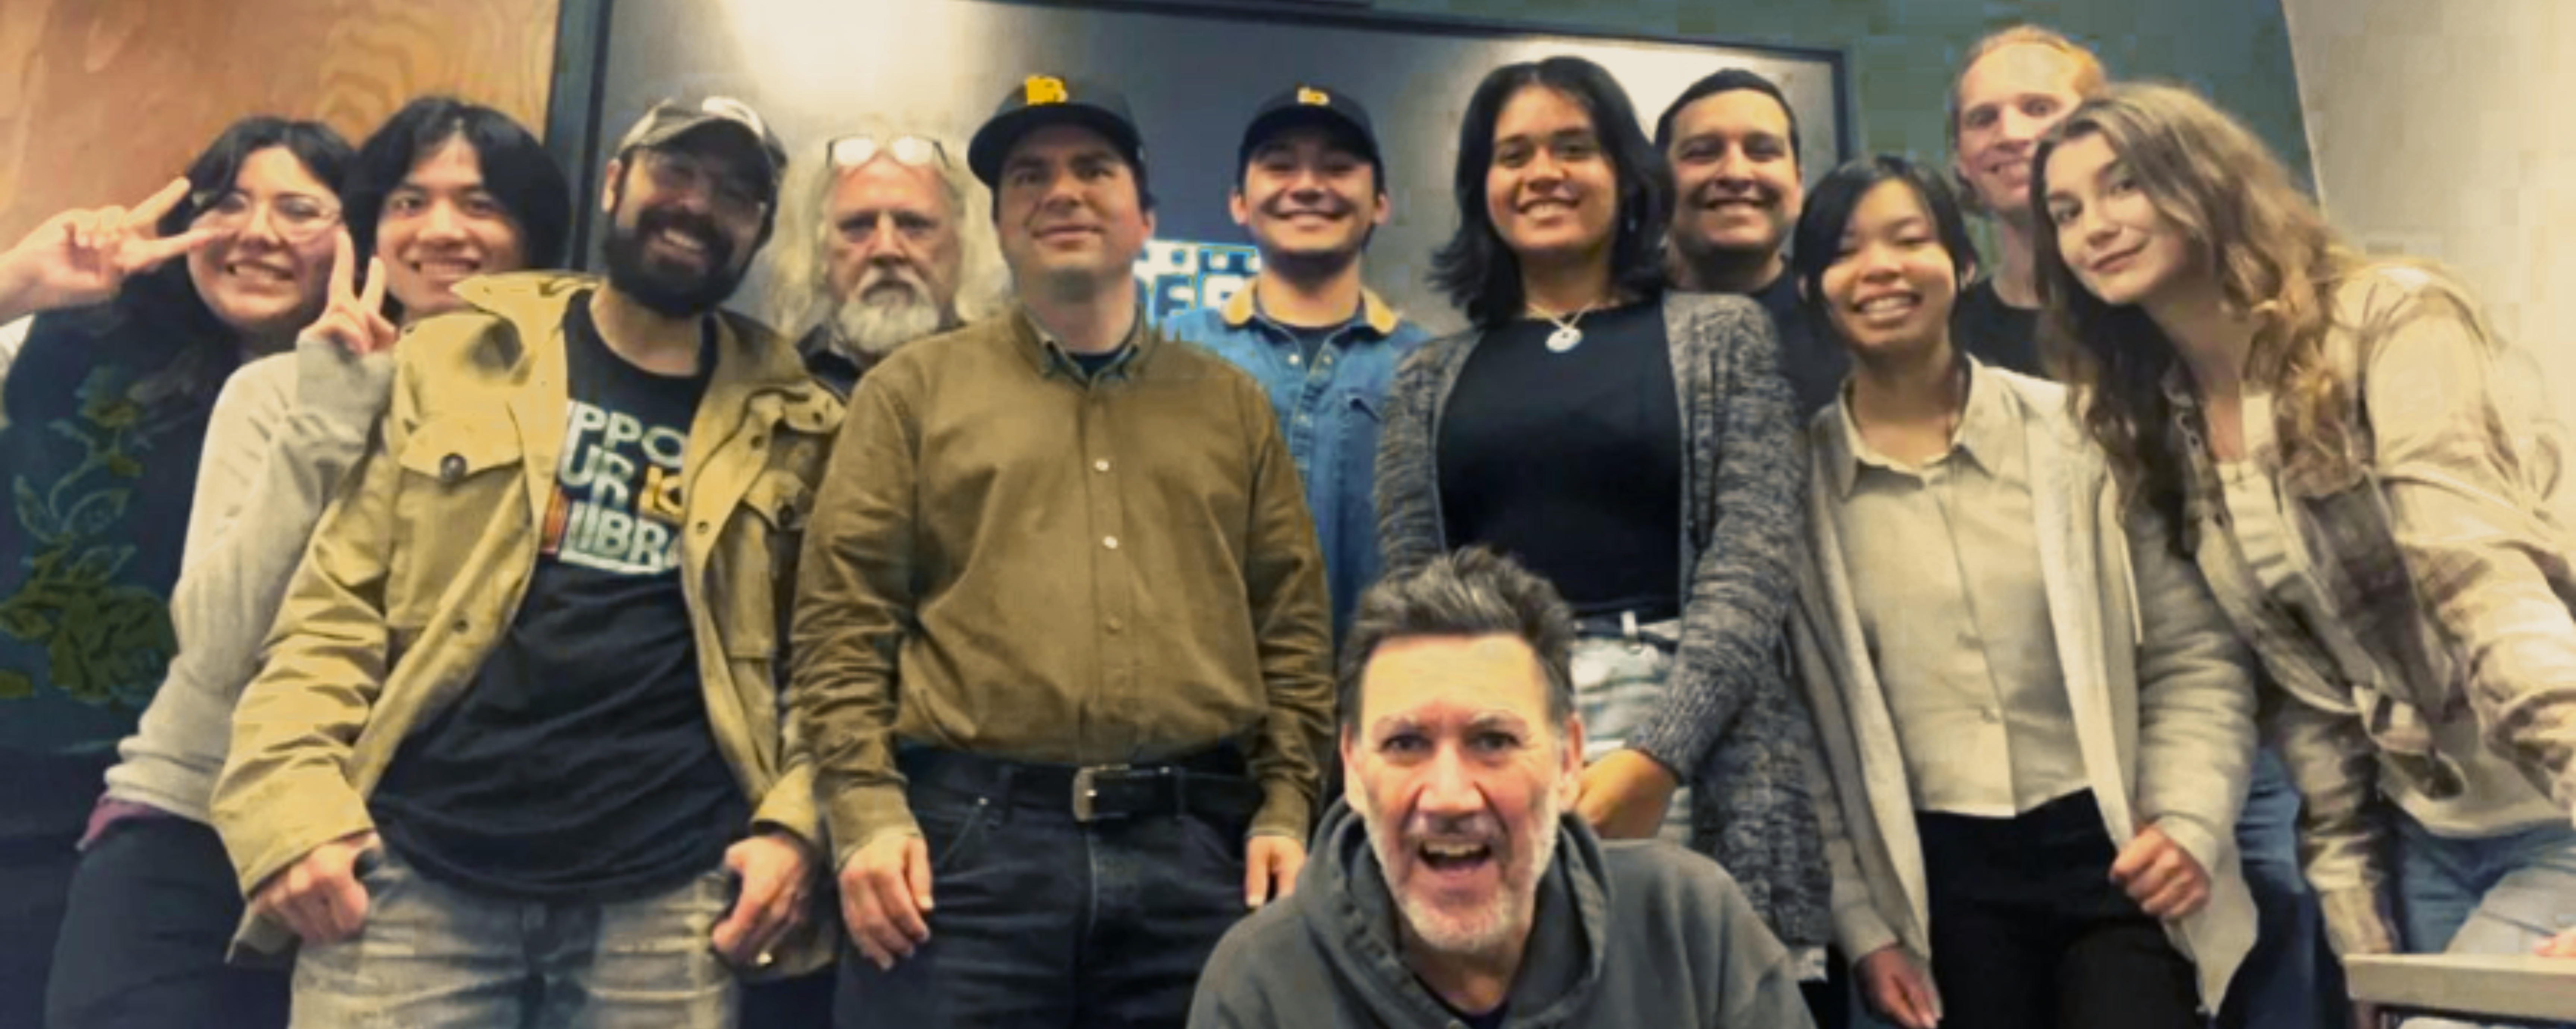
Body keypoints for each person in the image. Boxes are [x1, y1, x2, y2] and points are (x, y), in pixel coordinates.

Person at [211, 95, 835, 1027]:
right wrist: (292, 814)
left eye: (734, 193)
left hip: (671, 903)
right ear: (617, 184)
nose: (697, 205)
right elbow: (333, 611)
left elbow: (832, 665)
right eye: (675, 173)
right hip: (412, 877)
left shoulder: (801, 423)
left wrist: (796, 828)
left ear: (757, 233)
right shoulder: (452, 358)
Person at [793, 74, 1333, 1029]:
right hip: (961, 863)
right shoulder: (911, 394)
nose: (1063, 192)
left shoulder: (1231, 407)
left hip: (1196, 860)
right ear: (998, 229)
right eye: (1030, 176)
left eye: (1095, 168)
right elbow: (843, 624)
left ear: (1145, 217)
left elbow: (1290, 628)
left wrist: (1287, 805)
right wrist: (865, 813)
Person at [2036, 81, 2576, 1029]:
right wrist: (2358, 931)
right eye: (2065, 212)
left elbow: (2479, 578)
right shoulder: (2160, 419)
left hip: (2552, 807)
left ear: (2201, 179)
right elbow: (2307, 706)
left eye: (2125, 186)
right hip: (2426, 836)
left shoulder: (2383, 318)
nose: (2094, 227)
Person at [41, 95, 571, 1029]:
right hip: (193, 825)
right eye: (409, 202)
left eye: (482, 205)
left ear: (534, 238)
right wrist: (328, 410)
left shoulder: (565, 419)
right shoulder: (278, 387)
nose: (441, 230)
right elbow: (214, 644)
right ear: (371, 232)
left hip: (394, 861)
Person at [1376, 54, 1828, 976]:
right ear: (1482, 189)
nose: (1543, 172)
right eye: (1513, 155)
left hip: (1692, 738)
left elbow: (1751, 566)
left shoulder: (1721, 336)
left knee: (1687, 986)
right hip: (1496, 733)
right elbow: (1411, 603)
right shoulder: (1427, 377)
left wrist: (1658, 755)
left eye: (1573, 147)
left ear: (1626, 177)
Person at [1784, 153, 2259, 1029]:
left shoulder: (2085, 436)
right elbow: (1804, 735)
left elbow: (2195, 654)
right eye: (1847, 251)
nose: (1882, 268)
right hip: (1938, 883)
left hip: (2116, 849)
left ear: (1962, 265)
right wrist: (1865, 924)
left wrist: (2188, 818)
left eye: (1910, 238)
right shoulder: (1791, 492)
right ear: (1812, 288)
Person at [0, 115, 351, 1026]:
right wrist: (14, 287)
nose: (257, 232)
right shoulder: (75, 337)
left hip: (195, 814)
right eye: (229, 202)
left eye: (299, 208)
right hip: (21, 768)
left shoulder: (359, 400)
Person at [1190, 547, 1816, 1028]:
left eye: (1492, 741)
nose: (1450, 796)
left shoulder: (1690, 930)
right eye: (1406, 744)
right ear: (1351, 767)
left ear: (1570, 758)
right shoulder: (1260, 987)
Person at [1167, 83, 1431, 644]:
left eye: (1337, 167)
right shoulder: (1168, 353)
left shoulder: (1430, 368)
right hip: (1208, 709)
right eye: (1280, 166)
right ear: (1238, 200)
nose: (1309, 186)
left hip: (1377, 710)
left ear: (1381, 203)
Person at [761, 127, 1007, 397]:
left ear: (963, 244)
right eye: (858, 226)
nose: (886, 249)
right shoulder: (771, 391)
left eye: (913, 224)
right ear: (820, 252)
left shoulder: (1016, 388)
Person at [1654, 68, 1837, 419]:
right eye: (1703, 153)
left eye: (1763, 152)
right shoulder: (1610, 311)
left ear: (1798, 184)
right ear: (1659, 183)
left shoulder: (1841, 322)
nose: (1736, 173)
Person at [1942, 25, 2103, 377]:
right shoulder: (1946, 339)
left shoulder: (2165, 307)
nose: (2011, 135)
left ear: (2100, 127)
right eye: (1983, 119)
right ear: (1961, 161)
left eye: (2038, 108)